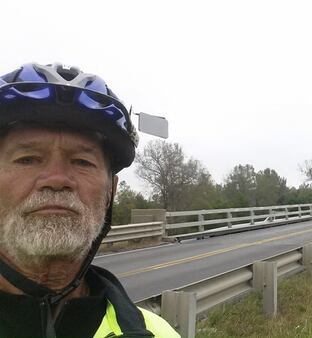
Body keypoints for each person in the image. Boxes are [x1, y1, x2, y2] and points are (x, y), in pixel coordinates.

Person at [0, 63, 180, 337]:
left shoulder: (158, 333)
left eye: (82, 161)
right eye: (28, 159)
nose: (57, 179)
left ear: (111, 191)